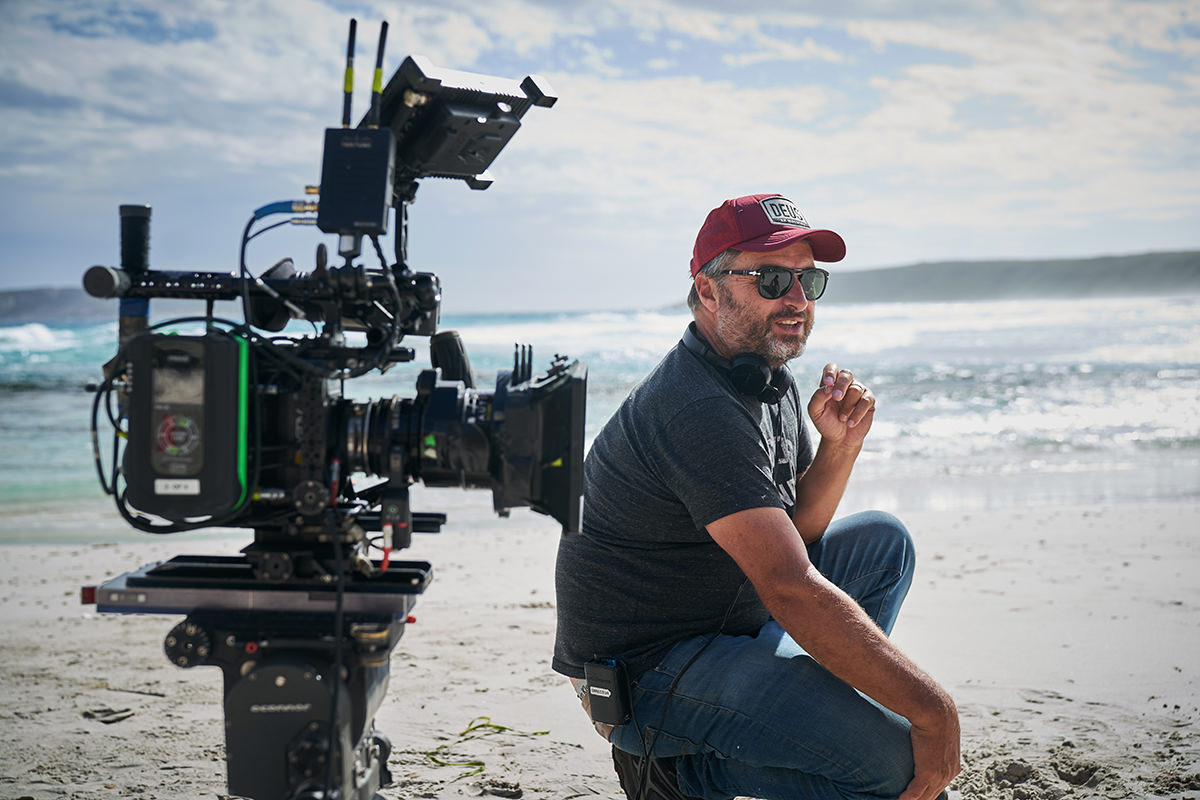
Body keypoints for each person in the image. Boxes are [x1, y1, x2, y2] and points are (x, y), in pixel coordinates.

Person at [552, 193, 960, 800]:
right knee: (898, 764)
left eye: (808, 279)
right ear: (710, 291)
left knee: (883, 543)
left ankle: (806, 719)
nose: (796, 299)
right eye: (772, 278)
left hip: (730, 618)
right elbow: (789, 583)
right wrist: (933, 713)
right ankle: (685, 772)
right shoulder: (696, 406)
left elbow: (800, 531)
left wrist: (841, 447)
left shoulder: (765, 373)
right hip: (652, 671)